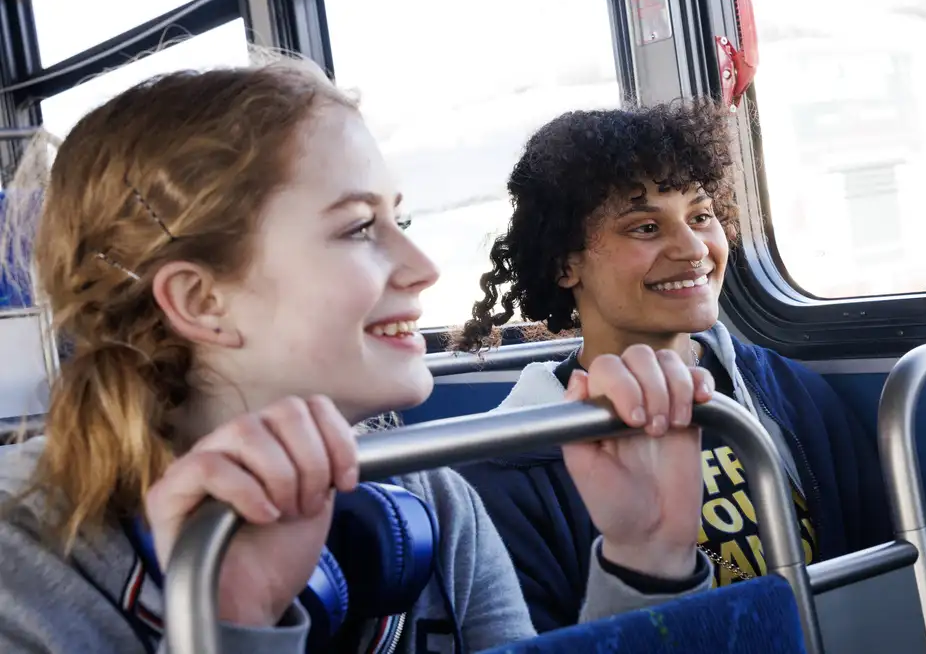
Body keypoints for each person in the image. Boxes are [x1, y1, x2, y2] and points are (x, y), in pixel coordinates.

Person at [0, 59, 719, 653]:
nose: (422, 267)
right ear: (199, 300)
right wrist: (235, 628)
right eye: (356, 229)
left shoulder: (427, 494)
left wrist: (646, 560)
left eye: (397, 218)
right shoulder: (23, 564)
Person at [449, 101, 891, 632]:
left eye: (701, 217)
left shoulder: (790, 395)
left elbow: (881, 584)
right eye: (644, 228)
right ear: (565, 264)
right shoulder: (506, 473)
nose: (692, 248)